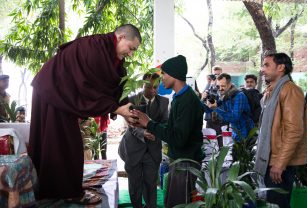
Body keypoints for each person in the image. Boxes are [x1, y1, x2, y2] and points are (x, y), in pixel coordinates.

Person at [28, 24, 141, 204]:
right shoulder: (95, 47)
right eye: (131, 48)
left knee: (59, 143)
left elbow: (114, 84)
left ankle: (57, 189)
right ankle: (66, 191)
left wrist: (124, 108)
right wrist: (115, 108)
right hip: (53, 90)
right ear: (120, 37)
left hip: (59, 93)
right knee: (63, 143)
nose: (131, 54)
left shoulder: (110, 54)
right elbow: (87, 87)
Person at [133, 55, 204, 208]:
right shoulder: (180, 97)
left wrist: (150, 124)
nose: (162, 79)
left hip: (186, 164)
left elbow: (178, 138)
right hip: (179, 161)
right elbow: (172, 129)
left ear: (174, 75)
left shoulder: (187, 101)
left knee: (178, 204)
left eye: (164, 74)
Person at [254, 53, 307, 207]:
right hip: (271, 160)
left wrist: (280, 164)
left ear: (281, 67)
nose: (262, 69)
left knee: (277, 204)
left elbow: (294, 131)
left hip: (280, 163)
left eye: (266, 65)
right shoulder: (271, 91)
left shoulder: (290, 90)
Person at [119, 72, 169, 208]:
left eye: (156, 87)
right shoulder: (132, 100)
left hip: (152, 149)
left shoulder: (164, 101)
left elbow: (165, 123)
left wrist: (154, 131)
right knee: (135, 183)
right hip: (133, 147)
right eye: (149, 87)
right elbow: (131, 124)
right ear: (142, 85)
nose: (153, 90)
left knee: (151, 182)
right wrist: (143, 132)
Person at [204, 73, 254, 142]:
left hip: (246, 135)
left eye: (223, 86)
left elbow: (234, 118)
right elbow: (208, 110)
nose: (220, 89)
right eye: (218, 86)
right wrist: (204, 99)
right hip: (235, 134)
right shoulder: (224, 95)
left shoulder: (239, 96)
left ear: (230, 84)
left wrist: (215, 108)